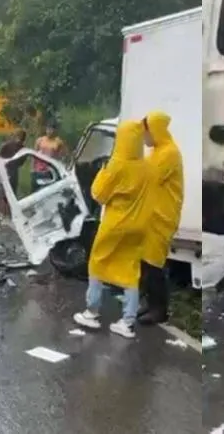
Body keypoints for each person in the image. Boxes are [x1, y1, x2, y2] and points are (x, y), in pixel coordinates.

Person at [73, 120, 151, 339]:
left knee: (97, 263)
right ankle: (127, 322)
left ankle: (92, 312)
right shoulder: (146, 167)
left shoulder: (116, 164)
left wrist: (103, 171)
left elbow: (98, 194)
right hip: (138, 225)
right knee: (130, 271)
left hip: (115, 224)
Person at [139, 111, 184, 325]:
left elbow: (149, 178)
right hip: (151, 216)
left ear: (155, 130)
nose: (144, 137)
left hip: (162, 217)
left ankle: (159, 310)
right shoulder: (157, 152)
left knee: (154, 264)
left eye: (146, 132)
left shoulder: (169, 153)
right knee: (146, 263)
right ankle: (150, 304)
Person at [0, 129, 27, 216]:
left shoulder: (17, 147)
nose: (18, 140)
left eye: (20, 138)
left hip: (9, 171)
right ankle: (4, 212)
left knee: (7, 193)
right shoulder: (16, 147)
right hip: (6, 170)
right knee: (5, 192)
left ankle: (6, 212)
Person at [31, 122, 68, 193]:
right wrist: (32, 168)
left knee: (46, 191)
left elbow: (64, 154)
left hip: (50, 170)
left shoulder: (58, 142)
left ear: (55, 130)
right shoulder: (40, 140)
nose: (49, 131)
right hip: (38, 169)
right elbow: (34, 154)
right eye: (48, 129)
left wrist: (59, 162)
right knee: (35, 190)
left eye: (51, 129)